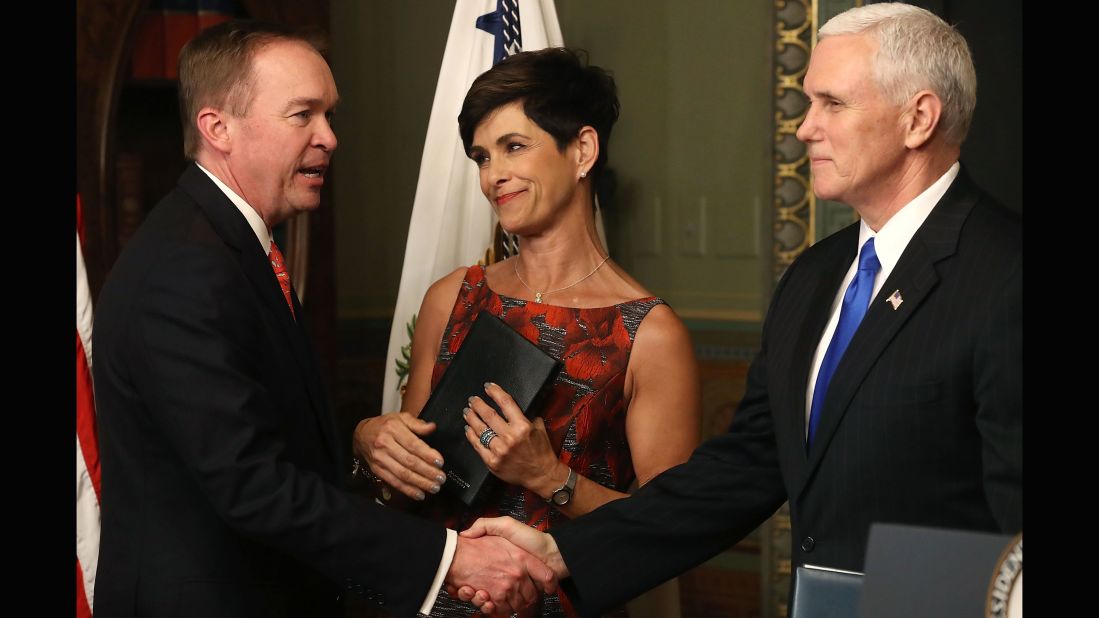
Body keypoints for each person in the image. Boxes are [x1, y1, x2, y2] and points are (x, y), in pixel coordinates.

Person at [458, 4, 1022, 615]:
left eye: (832, 103)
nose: (804, 128)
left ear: (918, 119)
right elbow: (745, 468)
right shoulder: (815, 274)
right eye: (807, 103)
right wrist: (561, 552)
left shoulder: (1008, 274)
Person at [92, 19, 554, 618]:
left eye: (329, 116)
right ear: (218, 128)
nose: (329, 137)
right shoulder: (185, 270)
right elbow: (254, 489)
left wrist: (358, 439)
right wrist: (450, 558)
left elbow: (270, 425)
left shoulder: (226, 245)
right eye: (302, 114)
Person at [352, 47, 702, 617]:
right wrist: (371, 440)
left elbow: (674, 533)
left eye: (515, 147)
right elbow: (407, 483)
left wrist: (550, 477)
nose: (494, 176)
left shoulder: (651, 334)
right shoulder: (453, 297)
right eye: (482, 157)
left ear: (582, 150)